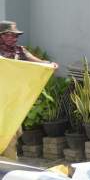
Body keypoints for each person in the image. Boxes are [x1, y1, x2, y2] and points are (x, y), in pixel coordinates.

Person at [0, 20, 58, 160]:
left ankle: (9, 166)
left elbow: (38, 62)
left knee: (11, 133)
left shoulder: (20, 51)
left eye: (15, 36)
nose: (13, 38)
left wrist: (50, 65)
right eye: (9, 35)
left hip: (13, 101)